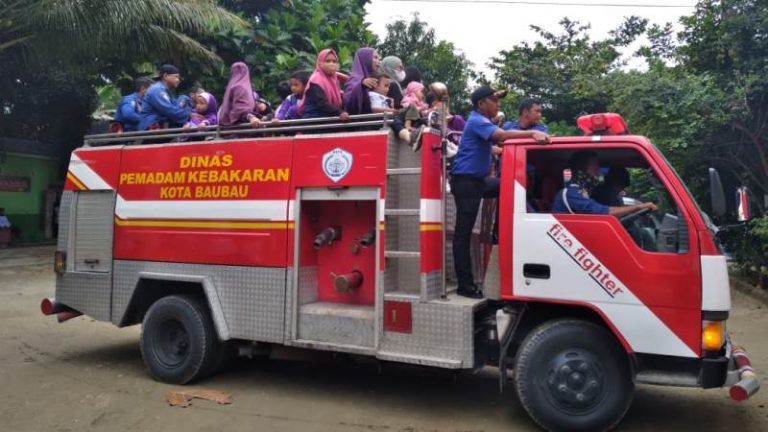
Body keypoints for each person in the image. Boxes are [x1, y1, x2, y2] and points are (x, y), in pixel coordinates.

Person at [451, 86, 551, 298]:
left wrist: (498, 149)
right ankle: (465, 285)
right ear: (481, 104)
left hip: (478, 181)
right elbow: (502, 136)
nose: (498, 104)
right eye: (493, 100)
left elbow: (495, 145)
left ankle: (504, 231)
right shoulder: (478, 120)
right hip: (466, 183)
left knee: (510, 187)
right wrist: (532, 133)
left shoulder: (483, 122)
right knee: (463, 234)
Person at [552, 151, 656, 217]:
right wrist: (639, 207)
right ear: (582, 169)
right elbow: (605, 212)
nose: (598, 172)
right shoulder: (571, 193)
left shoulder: (584, 191)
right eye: (595, 167)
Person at [368, 72, 422, 146]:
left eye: (388, 87)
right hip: (382, 119)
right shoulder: (373, 95)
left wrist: (391, 107)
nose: (387, 89)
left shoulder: (385, 97)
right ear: (375, 85)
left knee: (411, 107)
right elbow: (373, 109)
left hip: (389, 116)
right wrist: (390, 110)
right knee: (395, 120)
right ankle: (408, 137)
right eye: (385, 86)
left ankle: (409, 127)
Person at [300, 49, 348, 121]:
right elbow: (322, 103)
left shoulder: (333, 79)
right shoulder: (316, 80)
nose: (331, 64)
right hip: (314, 120)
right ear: (320, 63)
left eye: (334, 61)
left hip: (327, 119)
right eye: (327, 61)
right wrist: (340, 112)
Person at [138, 64, 191, 130]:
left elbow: (175, 108)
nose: (178, 80)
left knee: (184, 98)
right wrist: (189, 114)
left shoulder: (165, 91)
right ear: (165, 76)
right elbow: (170, 111)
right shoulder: (157, 90)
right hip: (151, 127)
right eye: (176, 77)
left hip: (159, 125)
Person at [218, 62, 262, 127]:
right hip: (239, 130)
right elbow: (240, 109)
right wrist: (251, 117)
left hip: (228, 128)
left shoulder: (231, 86)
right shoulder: (240, 87)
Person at [343, 47, 381, 115]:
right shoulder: (354, 80)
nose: (378, 61)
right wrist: (361, 85)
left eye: (379, 58)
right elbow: (348, 102)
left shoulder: (373, 78)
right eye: (375, 57)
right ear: (366, 59)